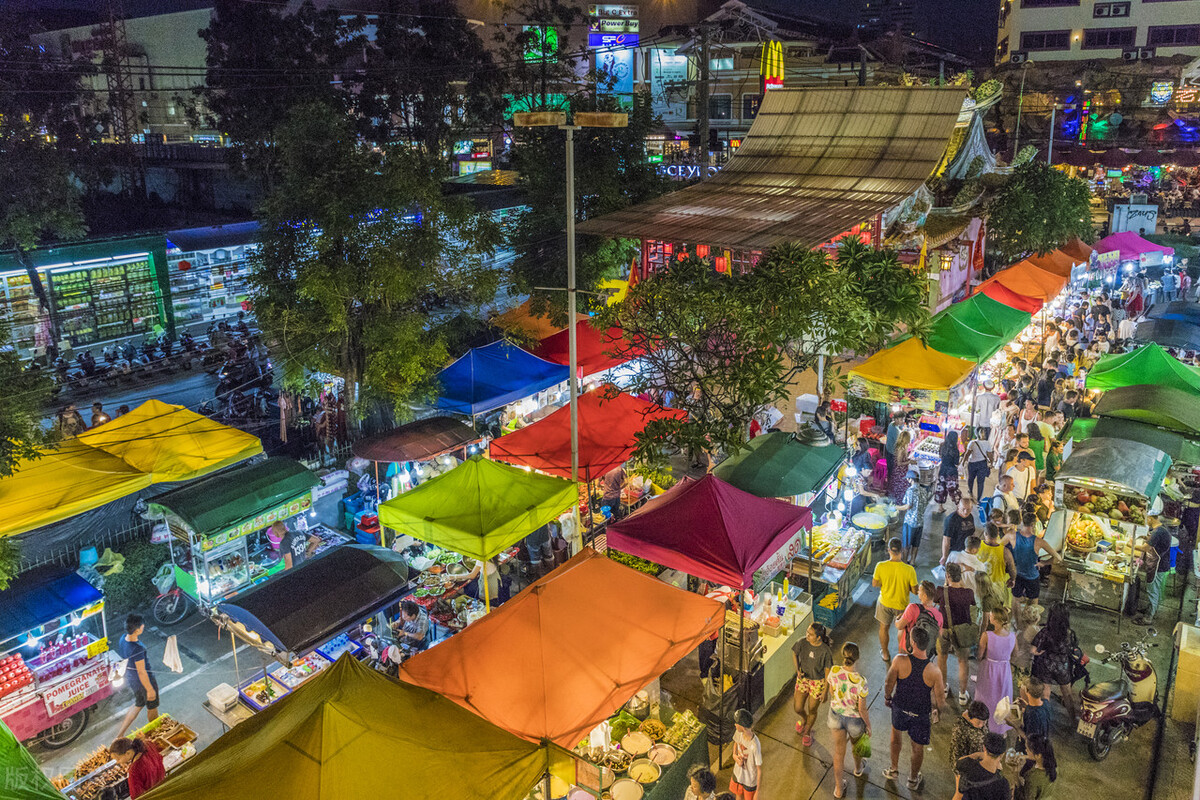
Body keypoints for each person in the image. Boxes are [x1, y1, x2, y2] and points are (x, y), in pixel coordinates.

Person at [883, 626, 944, 792]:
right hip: (920, 713)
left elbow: (889, 683)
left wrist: (888, 698)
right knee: (917, 748)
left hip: (900, 707)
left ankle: (894, 770)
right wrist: (937, 710)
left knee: (895, 738)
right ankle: (912, 779)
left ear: (913, 642)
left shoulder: (899, 660)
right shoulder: (934, 671)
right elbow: (940, 700)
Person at [826, 641, 871, 798]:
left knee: (839, 753)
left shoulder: (834, 671)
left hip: (836, 715)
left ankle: (839, 789)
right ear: (857, 659)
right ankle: (858, 769)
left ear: (842, 656)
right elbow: (862, 709)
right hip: (854, 719)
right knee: (856, 746)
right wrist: (868, 725)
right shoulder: (861, 682)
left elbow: (832, 692)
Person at [1007, 512, 1063, 621]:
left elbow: (1001, 547)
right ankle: (1031, 625)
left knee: (1016, 599)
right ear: (1034, 524)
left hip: (1017, 574)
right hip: (1032, 577)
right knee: (1033, 602)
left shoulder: (1013, 535)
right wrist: (1044, 563)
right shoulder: (1039, 541)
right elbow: (1058, 558)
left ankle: (1015, 622)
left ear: (1022, 521)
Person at [1031, 603, 1082, 722]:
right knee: (1067, 694)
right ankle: (1073, 718)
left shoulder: (1045, 632)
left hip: (1046, 665)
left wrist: (1041, 651)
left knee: (1045, 695)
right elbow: (1074, 647)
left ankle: (1046, 720)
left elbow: (1034, 649)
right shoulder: (1069, 633)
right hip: (1062, 666)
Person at [873, 538, 917, 664]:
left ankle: (885, 653)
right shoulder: (909, 570)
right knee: (902, 630)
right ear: (901, 551)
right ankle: (901, 655)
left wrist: (886, 582)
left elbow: (875, 583)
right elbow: (915, 591)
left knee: (883, 627)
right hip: (902, 604)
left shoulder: (880, 566)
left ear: (888, 550)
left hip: (884, 603)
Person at [116, 615, 159, 738]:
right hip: (143, 682)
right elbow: (142, 671)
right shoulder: (137, 648)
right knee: (152, 707)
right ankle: (156, 732)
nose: (143, 627)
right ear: (137, 630)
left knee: (138, 704)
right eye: (142, 626)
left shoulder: (123, 639)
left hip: (132, 680)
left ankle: (119, 735)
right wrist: (150, 689)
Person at [939, 563, 977, 705]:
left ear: (947, 576)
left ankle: (943, 687)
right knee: (963, 661)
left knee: (942, 658)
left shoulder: (941, 591)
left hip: (944, 630)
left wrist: (946, 582)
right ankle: (962, 694)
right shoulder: (968, 593)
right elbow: (973, 603)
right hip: (962, 632)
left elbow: (940, 596)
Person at [976, 608, 1016, 734]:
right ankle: (1000, 725)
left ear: (995, 620)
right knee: (1002, 696)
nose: (989, 617)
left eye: (991, 616)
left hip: (989, 669)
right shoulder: (1012, 636)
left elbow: (979, 655)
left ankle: (982, 722)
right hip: (1005, 670)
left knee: (986, 696)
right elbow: (1015, 654)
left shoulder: (987, 635)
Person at [793, 622, 834, 746]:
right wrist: (797, 669)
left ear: (818, 638)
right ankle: (804, 719)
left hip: (818, 682)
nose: (807, 636)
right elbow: (794, 653)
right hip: (804, 679)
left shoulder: (825, 651)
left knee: (812, 709)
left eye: (810, 635)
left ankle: (807, 731)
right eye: (807, 632)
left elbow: (828, 672)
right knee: (798, 707)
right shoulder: (802, 642)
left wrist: (825, 691)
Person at [954, 732, 1011, 800]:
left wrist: (979, 754)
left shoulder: (968, 765)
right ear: (1002, 754)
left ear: (984, 748)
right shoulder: (1003, 784)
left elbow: (959, 762)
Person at [1139, 516, 1175, 624]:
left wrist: (1130, 545)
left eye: (1146, 518)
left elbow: (1145, 548)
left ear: (1150, 518)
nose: (1145, 521)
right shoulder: (1161, 529)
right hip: (1161, 565)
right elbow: (1157, 543)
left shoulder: (1158, 532)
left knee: (1152, 591)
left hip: (1158, 566)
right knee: (1155, 590)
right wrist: (1146, 539)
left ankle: (1148, 618)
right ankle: (1151, 609)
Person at [897, 580, 944, 655]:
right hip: (925, 652)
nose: (917, 592)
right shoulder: (940, 615)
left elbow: (899, 626)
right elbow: (939, 637)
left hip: (909, 647)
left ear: (924, 595)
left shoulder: (912, 607)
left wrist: (897, 619)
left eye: (919, 590)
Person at [897, 468, 931, 564]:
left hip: (910, 522)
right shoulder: (924, 490)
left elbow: (908, 506)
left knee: (906, 544)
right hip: (920, 521)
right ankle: (912, 561)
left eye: (908, 479)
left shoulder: (910, 490)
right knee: (916, 544)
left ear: (910, 479)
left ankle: (904, 562)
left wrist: (896, 507)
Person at [730, 708, 762, 800]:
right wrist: (734, 755)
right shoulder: (738, 732)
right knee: (738, 794)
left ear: (743, 727)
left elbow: (759, 769)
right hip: (738, 773)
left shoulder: (755, 745)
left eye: (736, 723)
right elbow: (735, 743)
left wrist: (757, 792)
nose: (734, 724)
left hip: (750, 780)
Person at [949, 701, 991, 768]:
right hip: (969, 766)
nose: (981, 725)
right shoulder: (960, 729)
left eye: (984, 722)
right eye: (978, 722)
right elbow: (957, 754)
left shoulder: (982, 719)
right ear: (970, 718)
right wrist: (958, 774)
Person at [1017, 735, 1058, 800]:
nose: (1026, 750)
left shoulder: (1032, 777)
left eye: (1028, 749)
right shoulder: (1053, 766)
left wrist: (1016, 777)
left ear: (1038, 755)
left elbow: (1027, 798)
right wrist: (1025, 757)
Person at [948, 535, 987, 602]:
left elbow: (946, 571)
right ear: (974, 550)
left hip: (953, 594)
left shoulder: (953, 555)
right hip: (971, 599)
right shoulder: (980, 566)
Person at [941, 497, 977, 567]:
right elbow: (946, 540)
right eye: (963, 509)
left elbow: (972, 533)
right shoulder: (951, 520)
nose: (966, 512)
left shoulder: (970, 517)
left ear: (972, 508)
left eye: (968, 509)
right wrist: (944, 556)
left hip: (967, 552)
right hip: (955, 552)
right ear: (958, 507)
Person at [934, 429, 963, 512]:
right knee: (953, 490)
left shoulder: (942, 446)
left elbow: (940, 456)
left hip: (942, 469)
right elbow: (956, 463)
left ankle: (940, 507)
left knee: (941, 488)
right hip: (951, 471)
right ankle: (958, 506)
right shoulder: (955, 450)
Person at [964, 428, 993, 503]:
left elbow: (967, 454)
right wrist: (991, 463)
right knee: (980, 482)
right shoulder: (987, 443)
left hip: (972, 463)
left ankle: (970, 492)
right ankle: (979, 499)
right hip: (982, 464)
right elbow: (990, 455)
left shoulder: (972, 443)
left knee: (971, 479)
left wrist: (963, 462)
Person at [1019, 676, 1050, 744]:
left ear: (1027, 691)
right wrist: (1027, 705)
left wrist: (1014, 725)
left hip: (1034, 748)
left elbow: (1030, 739)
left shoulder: (1032, 715)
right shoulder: (1045, 703)